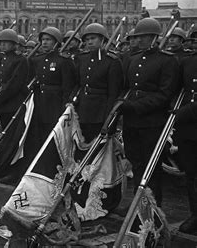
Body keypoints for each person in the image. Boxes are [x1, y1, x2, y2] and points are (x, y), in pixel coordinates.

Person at [119, 17, 179, 207]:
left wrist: (136, 106)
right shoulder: (133, 59)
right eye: (138, 36)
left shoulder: (167, 61)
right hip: (131, 121)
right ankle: (139, 205)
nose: (140, 40)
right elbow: (126, 88)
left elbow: (165, 94)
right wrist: (123, 104)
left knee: (151, 167)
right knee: (136, 163)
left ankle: (152, 210)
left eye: (145, 36)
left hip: (152, 122)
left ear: (155, 37)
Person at [26, 27, 76, 164]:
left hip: (56, 102)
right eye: (42, 40)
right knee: (39, 133)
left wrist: (64, 106)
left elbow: (67, 86)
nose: (44, 43)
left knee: (53, 133)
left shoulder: (64, 61)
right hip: (40, 101)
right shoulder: (37, 60)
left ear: (56, 42)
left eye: (48, 40)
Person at [75, 23, 123, 143]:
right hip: (83, 109)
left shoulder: (112, 61)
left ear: (102, 40)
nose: (89, 42)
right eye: (87, 39)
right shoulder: (82, 58)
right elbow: (77, 84)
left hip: (100, 110)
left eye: (93, 38)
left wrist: (108, 115)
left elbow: (114, 92)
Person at [173, 50, 197, 234]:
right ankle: (195, 214)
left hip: (189, 115)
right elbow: (176, 89)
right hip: (189, 128)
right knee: (192, 173)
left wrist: (185, 111)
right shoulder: (187, 62)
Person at [0, 29, 29, 128]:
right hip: (4, 102)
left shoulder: (20, 60)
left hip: (14, 102)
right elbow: (0, 79)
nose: (2, 45)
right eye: (1, 43)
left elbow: (14, 83)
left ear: (13, 44)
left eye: (6, 43)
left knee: (12, 132)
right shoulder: (4, 58)